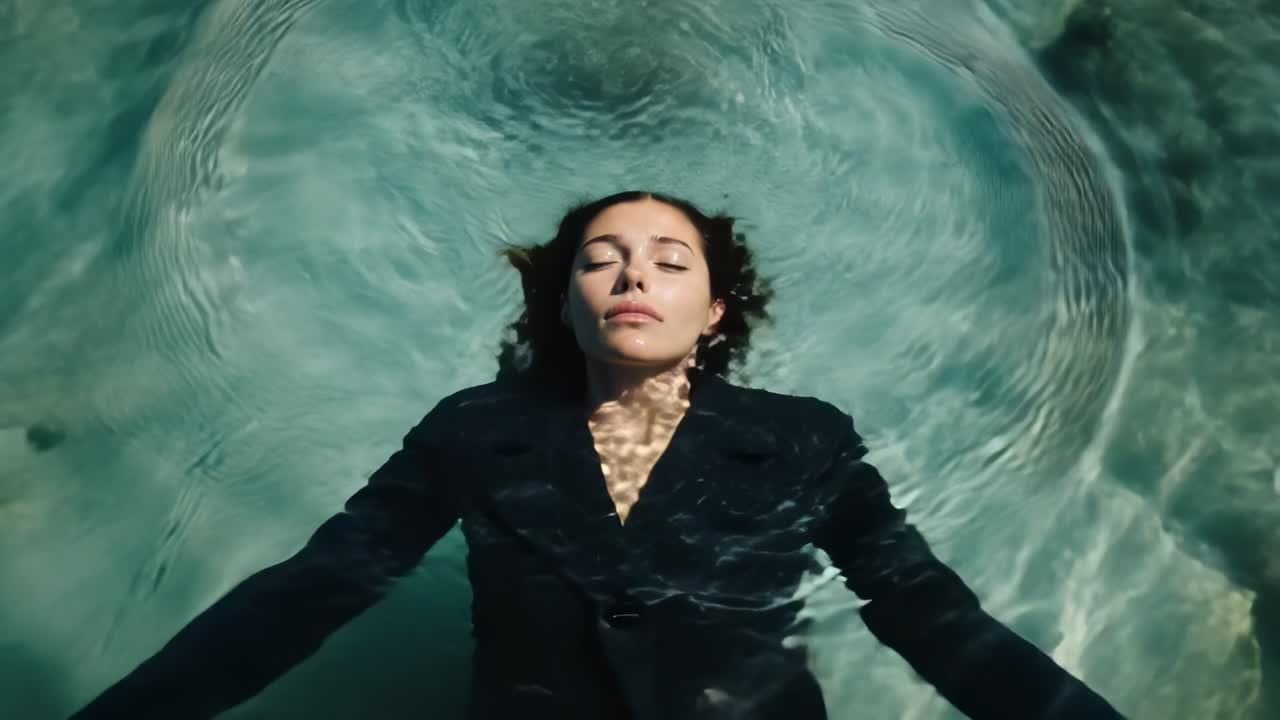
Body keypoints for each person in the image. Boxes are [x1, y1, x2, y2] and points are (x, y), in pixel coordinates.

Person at [70, 191, 1127, 719]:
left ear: (712, 310)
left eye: (669, 262)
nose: (632, 276)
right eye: (600, 260)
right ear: (562, 300)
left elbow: (927, 614)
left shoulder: (806, 437)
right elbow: (313, 591)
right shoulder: (469, 429)